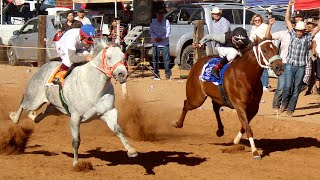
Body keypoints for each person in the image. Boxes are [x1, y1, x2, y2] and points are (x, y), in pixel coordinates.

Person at [278, 0, 320, 117]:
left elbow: (319, 27)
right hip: (290, 65)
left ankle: (290, 110)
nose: (299, 32)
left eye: (301, 31)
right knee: (287, 87)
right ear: (296, 30)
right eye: (298, 30)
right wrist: (288, 6)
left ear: (303, 31)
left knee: (296, 89)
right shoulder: (292, 34)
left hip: (300, 66)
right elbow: (287, 19)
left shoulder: (307, 37)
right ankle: (284, 104)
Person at [265, 17, 291, 111]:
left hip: (293, 64)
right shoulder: (283, 33)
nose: (291, 24)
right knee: (281, 86)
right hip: (283, 62)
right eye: (290, 22)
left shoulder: (298, 35)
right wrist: (270, 25)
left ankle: (285, 105)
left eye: (293, 23)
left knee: (288, 87)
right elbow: (268, 36)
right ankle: (276, 105)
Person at [149, 8, 172, 80]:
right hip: (156, 43)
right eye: (159, 14)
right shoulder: (153, 22)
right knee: (154, 60)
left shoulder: (167, 22)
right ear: (156, 14)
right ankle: (156, 74)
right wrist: (156, 38)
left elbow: (168, 32)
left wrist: (161, 38)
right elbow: (150, 31)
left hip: (164, 43)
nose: (160, 15)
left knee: (166, 60)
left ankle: (167, 74)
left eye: (161, 14)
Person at [249, 14, 269, 92]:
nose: (257, 22)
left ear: (261, 20)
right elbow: (251, 38)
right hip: (254, 48)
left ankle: (265, 85)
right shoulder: (253, 28)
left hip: (262, 47)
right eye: (255, 20)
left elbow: (266, 36)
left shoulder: (264, 26)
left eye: (258, 20)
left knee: (264, 66)